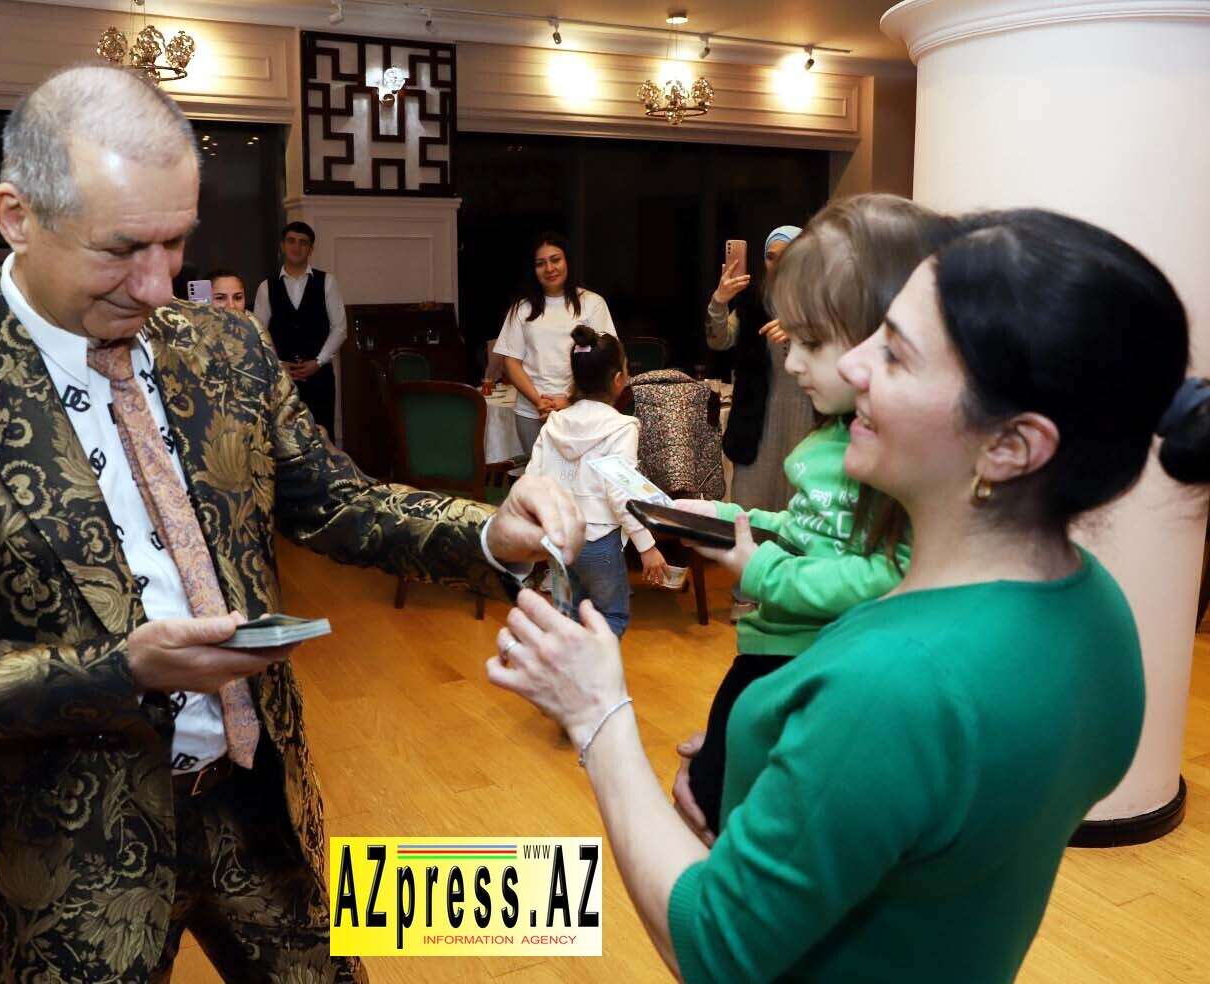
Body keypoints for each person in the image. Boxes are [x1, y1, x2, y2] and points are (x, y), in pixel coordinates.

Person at [0, 63, 583, 984]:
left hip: (259, 811)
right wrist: (121, 671)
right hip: (64, 857)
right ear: (17, 216)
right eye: (122, 250)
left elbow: (339, 500)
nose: (157, 286)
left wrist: (488, 533)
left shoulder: (228, 346)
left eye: (176, 243)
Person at [489, 203, 1196, 982]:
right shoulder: (1099, 612)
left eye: (895, 354)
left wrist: (599, 716)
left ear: (1010, 446)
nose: (855, 368)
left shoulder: (892, 690)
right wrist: (784, 767)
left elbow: (715, 944)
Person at [677, 195, 944, 837]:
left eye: (813, 342)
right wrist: (722, 517)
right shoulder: (831, 442)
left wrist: (763, 571)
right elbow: (804, 527)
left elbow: (884, 572)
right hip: (773, 649)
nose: (795, 361)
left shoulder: (900, 469)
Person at [526, 326, 668, 637]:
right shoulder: (622, 427)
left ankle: (569, 667)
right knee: (610, 618)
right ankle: (597, 668)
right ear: (618, 379)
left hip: (559, 540)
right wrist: (646, 545)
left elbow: (531, 483)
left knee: (568, 615)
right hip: (598, 542)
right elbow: (620, 492)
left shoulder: (553, 423)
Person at [706, 226, 815, 512]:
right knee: (751, 508)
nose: (777, 264)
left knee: (799, 505)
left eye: (787, 255)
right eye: (771, 256)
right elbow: (718, 340)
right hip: (757, 421)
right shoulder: (752, 302)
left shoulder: (821, 303)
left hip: (807, 417)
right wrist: (719, 301)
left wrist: (801, 329)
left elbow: (841, 350)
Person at [493, 232, 616, 456]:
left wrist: (569, 399)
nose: (549, 268)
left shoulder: (592, 303)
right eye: (540, 263)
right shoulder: (521, 308)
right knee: (538, 475)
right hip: (532, 412)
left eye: (555, 260)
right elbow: (511, 362)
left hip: (581, 409)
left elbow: (605, 359)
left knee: (580, 475)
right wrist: (539, 401)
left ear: (567, 261)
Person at [253, 221, 346, 436]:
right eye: (291, 241)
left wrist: (319, 362)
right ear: (282, 245)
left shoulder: (327, 282)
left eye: (303, 242)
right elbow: (259, 334)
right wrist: (278, 365)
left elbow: (340, 328)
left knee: (321, 434)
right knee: (283, 437)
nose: (297, 247)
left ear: (311, 249)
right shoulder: (266, 287)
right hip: (281, 378)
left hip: (319, 376)